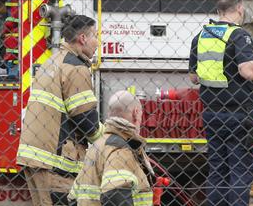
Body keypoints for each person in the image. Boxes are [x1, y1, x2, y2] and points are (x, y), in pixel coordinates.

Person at [17, 15, 104, 206]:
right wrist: (106, 141)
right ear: (83, 38)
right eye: (95, 36)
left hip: (36, 156)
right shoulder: (75, 68)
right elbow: (84, 117)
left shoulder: (53, 61)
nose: (98, 42)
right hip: (54, 161)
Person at [188, 0, 253, 205]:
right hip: (239, 114)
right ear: (240, 8)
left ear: (218, 10)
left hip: (212, 113)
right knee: (240, 171)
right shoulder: (239, 35)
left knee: (217, 171)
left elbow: (194, 77)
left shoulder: (201, 36)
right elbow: (247, 72)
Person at [69, 90, 154, 206]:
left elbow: (73, 197)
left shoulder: (96, 146)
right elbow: (115, 196)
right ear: (136, 113)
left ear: (109, 114)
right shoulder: (121, 150)